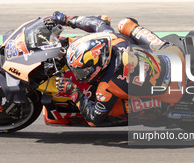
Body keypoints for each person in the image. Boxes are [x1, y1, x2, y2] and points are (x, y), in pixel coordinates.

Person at [47, 11, 185, 126]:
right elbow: (99, 22)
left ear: (99, 65)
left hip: (173, 92)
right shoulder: (113, 39)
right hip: (174, 55)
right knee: (125, 23)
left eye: (82, 71)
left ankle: (158, 105)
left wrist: (73, 90)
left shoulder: (107, 87)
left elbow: (94, 119)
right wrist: (68, 20)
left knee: (110, 110)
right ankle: (162, 44)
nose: (78, 75)